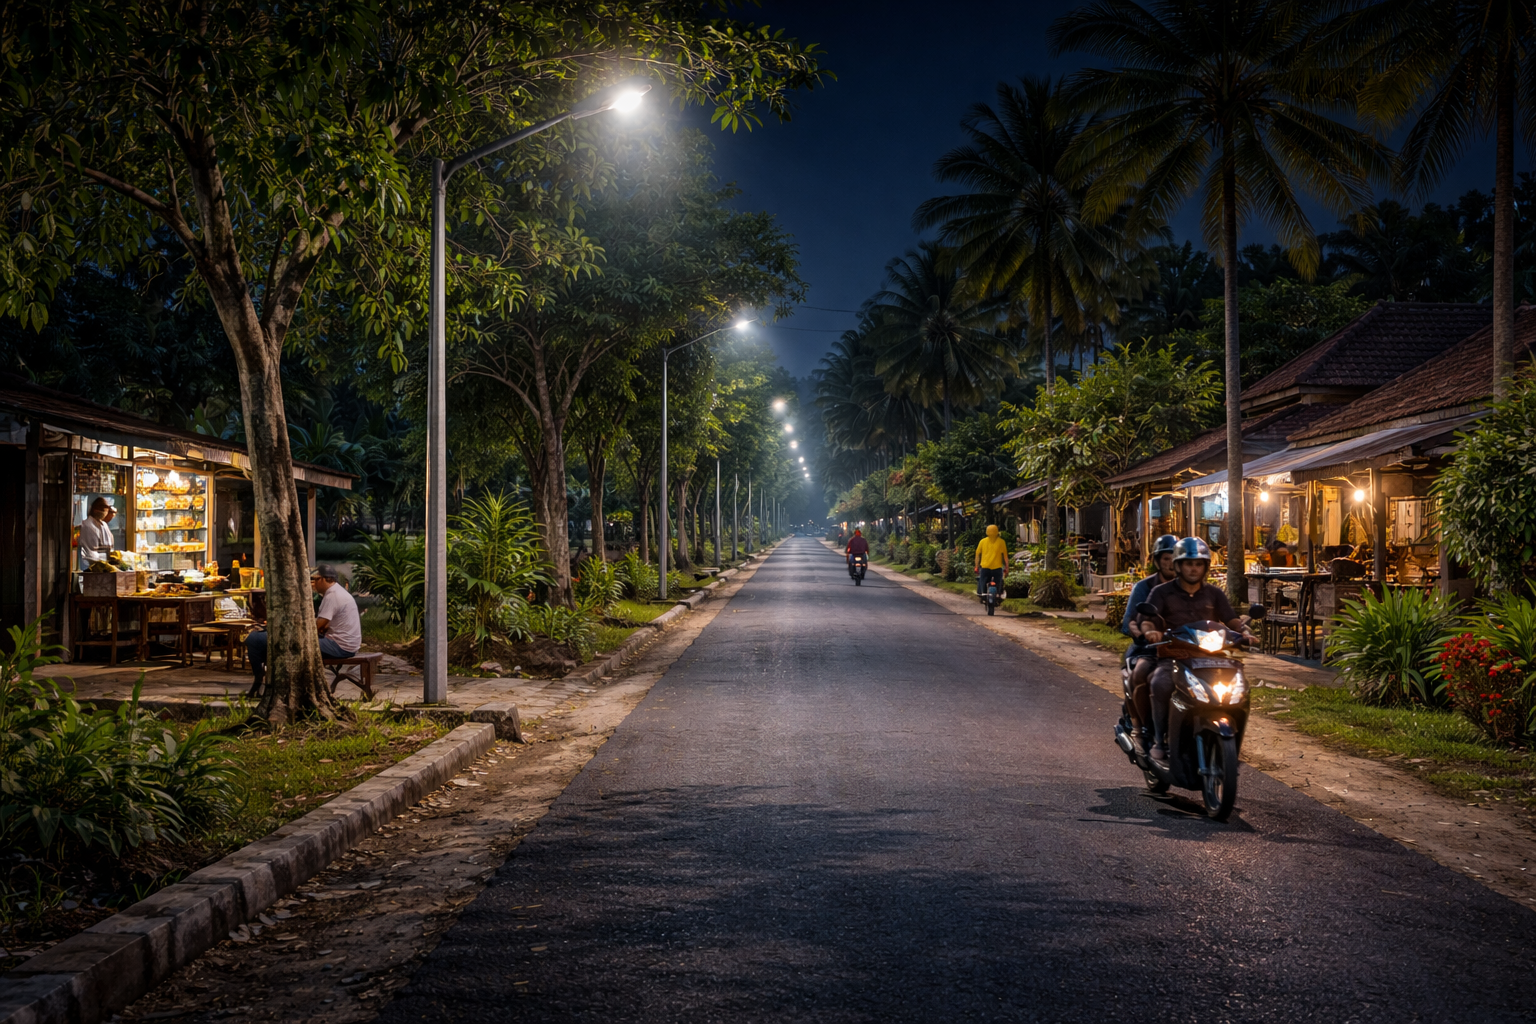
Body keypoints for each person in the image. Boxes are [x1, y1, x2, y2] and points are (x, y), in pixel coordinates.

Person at [1136, 537, 1255, 763]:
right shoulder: (1161, 593)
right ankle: (1160, 740)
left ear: (1205, 567)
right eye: (1189, 563)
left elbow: (1230, 618)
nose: (1194, 568)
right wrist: (1151, 631)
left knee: (1239, 688)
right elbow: (1147, 620)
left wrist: (1244, 632)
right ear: (1179, 566)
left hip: (1211, 657)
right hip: (1174, 656)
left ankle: (1231, 744)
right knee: (1160, 684)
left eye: (1199, 564)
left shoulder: (1214, 593)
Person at [246, 564, 362, 696]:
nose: (312, 583)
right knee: (272, 640)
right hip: (343, 643)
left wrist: (290, 628)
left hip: (339, 646)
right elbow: (324, 625)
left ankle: (261, 677)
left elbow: (316, 627)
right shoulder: (336, 592)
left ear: (324, 579)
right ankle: (269, 677)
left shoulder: (333, 595)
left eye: (314, 579)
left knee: (256, 639)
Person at [1119, 534, 1180, 752]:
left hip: (1184, 650)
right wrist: (1146, 635)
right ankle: (1144, 728)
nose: (1171, 563)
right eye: (1166, 559)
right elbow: (1130, 622)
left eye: (1176, 558)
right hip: (1149, 650)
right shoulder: (1144, 588)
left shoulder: (1191, 588)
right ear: (1157, 561)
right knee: (1141, 675)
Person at [973, 523, 1010, 597]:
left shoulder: (982, 541)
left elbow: (977, 554)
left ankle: (982, 593)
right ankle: (998, 594)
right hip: (997, 568)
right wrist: (1007, 567)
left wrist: (976, 566)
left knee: (982, 582)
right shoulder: (1001, 542)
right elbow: (1005, 556)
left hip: (985, 567)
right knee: (999, 583)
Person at [80, 497, 117, 566]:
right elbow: (90, 552)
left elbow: (110, 544)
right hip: (91, 564)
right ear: (95, 509)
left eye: (106, 509)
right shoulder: (88, 525)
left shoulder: (104, 525)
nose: (104, 512)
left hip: (105, 563)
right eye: (102, 509)